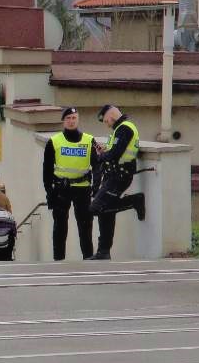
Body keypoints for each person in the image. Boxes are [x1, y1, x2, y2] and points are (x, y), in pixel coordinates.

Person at [88, 104, 147, 260]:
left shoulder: (124, 128)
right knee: (105, 212)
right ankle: (103, 251)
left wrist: (100, 156)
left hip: (119, 176)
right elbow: (114, 151)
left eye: (106, 120)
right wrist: (105, 151)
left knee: (96, 208)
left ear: (111, 115)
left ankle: (134, 201)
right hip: (113, 176)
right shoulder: (119, 129)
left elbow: (115, 154)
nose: (107, 124)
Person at [43, 107, 95, 261]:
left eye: (74, 118)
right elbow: (47, 170)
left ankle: (88, 259)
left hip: (83, 188)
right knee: (60, 227)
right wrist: (49, 192)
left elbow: (97, 165)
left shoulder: (89, 140)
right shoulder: (54, 141)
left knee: (85, 226)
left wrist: (96, 186)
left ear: (78, 119)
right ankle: (58, 261)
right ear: (63, 121)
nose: (71, 121)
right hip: (61, 189)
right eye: (68, 118)